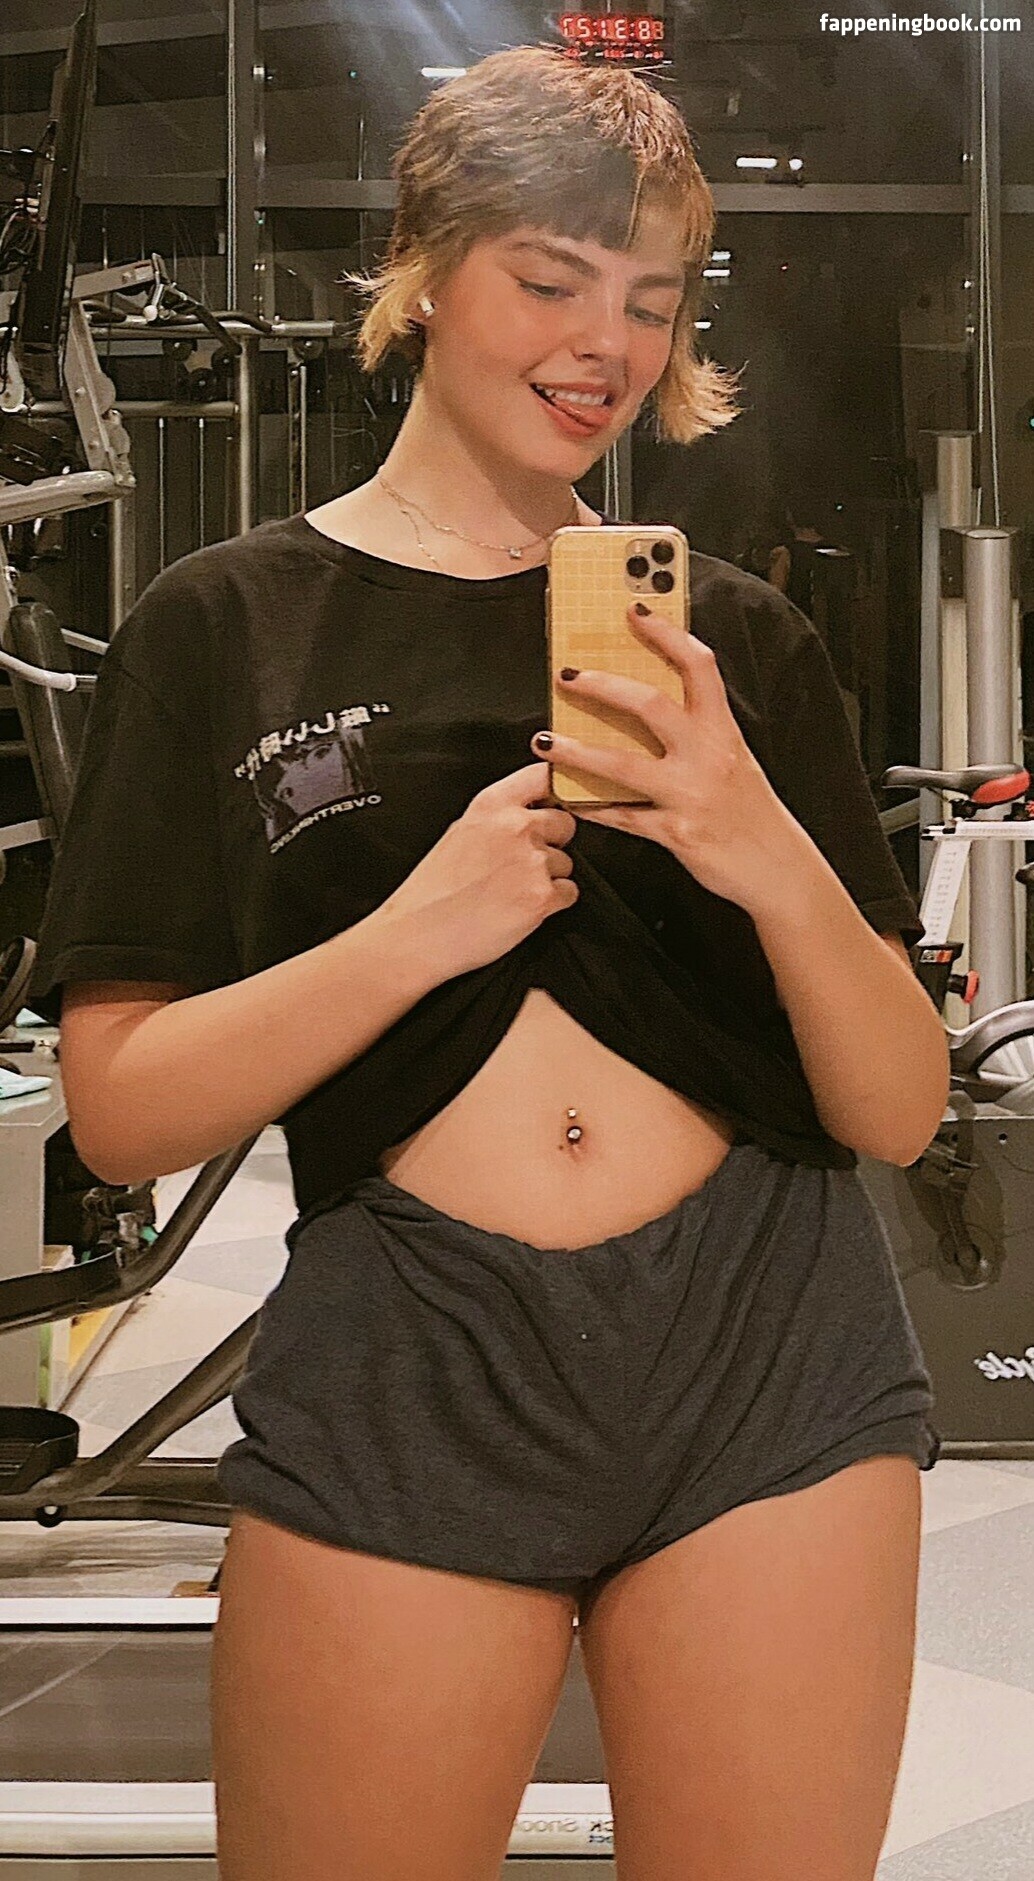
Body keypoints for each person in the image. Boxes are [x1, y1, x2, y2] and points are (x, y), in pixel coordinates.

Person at [29, 45, 948, 1881]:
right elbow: (119, 1115)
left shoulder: (736, 645)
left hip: (765, 1342)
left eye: (650, 301)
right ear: (426, 270)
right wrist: (416, 932)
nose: (603, 344)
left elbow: (900, 1103)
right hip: (408, 1349)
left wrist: (753, 839)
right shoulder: (224, 626)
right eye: (549, 280)